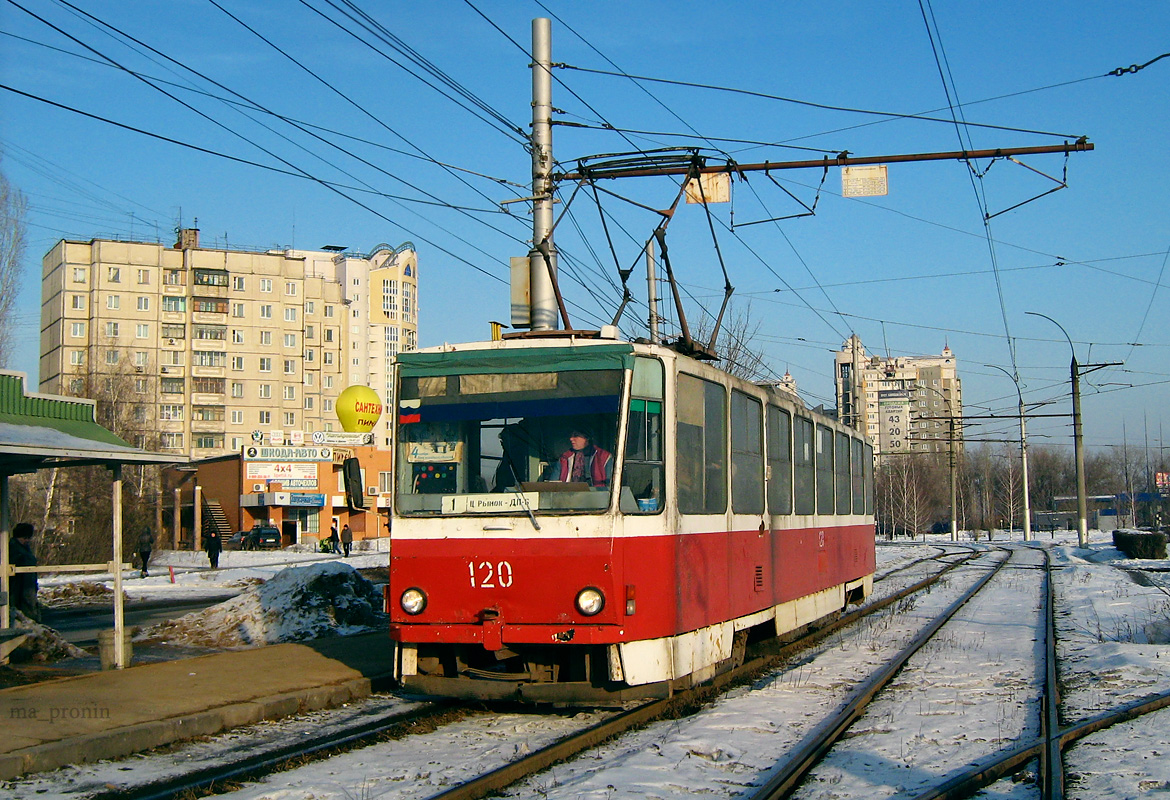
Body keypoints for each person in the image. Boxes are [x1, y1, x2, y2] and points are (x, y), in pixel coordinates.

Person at [8, 522, 40, 622]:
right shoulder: (13, 548)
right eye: (24, 538)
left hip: (27, 584)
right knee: (22, 609)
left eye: (28, 538)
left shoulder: (24, 548)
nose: (26, 540)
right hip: (18, 585)